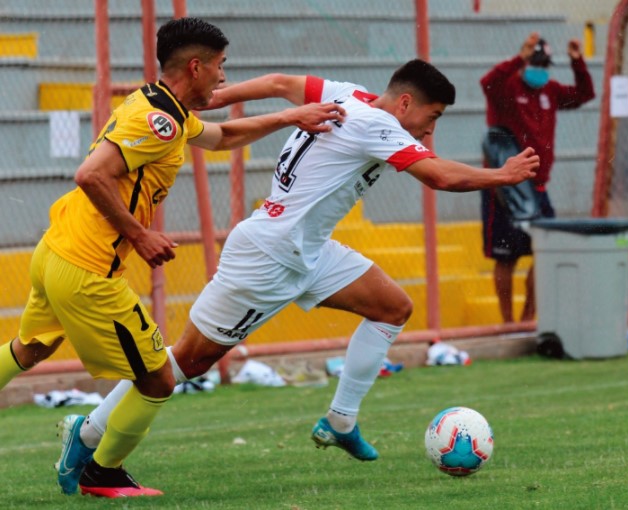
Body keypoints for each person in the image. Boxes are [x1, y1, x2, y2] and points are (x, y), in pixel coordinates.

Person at [54, 59, 540, 489]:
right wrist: (504, 175)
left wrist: (217, 95)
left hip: (308, 249)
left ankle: (341, 419)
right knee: (186, 361)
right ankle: (90, 431)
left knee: (392, 307)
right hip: (269, 256)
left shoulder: (346, 93)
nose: (428, 133)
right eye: (430, 119)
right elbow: (439, 176)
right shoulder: (376, 122)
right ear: (407, 102)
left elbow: (279, 82)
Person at [0, 17, 345, 498]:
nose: (224, 78)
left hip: (55, 249)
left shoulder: (161, 106)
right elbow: (90, 174)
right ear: (197, 66)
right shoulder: (159, 121)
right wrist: (140, 235)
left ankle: (96, 459)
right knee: (159, 378)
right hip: (86, 267)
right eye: (221, 67)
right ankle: (103, 471)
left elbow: (221, 138)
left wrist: (290, 117)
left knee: (30, 349)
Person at [479, 32, 595, 323]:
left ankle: (529, 316)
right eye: (535, 62)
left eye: (544, 64)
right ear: (524, 62)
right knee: (506, 256)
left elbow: (584, 94)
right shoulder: (507, 88)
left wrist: (577, 61)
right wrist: (521, 56)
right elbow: (486, 83)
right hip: (506, 187)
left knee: (546, 251)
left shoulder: (550, 91)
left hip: (539, 186)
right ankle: (508, 322)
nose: (539, 69)